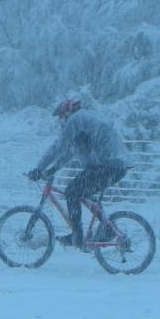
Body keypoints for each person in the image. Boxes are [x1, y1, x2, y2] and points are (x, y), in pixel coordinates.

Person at [27, 99, 130, 249]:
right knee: (84, 193)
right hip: (116, 165)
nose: (61, 121)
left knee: (72, 192)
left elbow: (58, 147)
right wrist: (52, 169)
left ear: (67, 112)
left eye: (61, 117)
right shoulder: (85, 120)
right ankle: (108, 228)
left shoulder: (76, 120)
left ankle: (77, 235)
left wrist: (39, 168)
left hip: (107, 164)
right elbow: (69, 152)